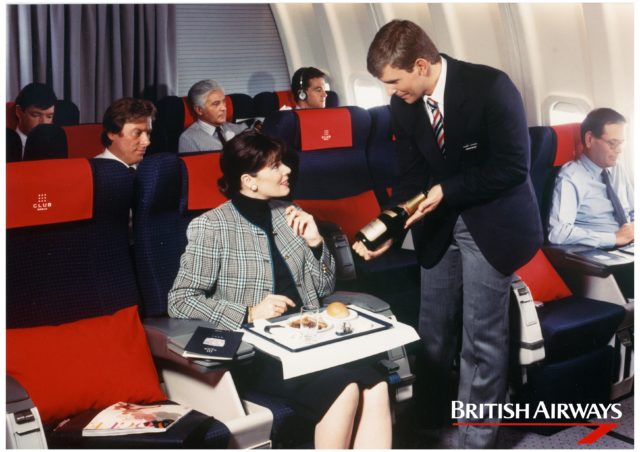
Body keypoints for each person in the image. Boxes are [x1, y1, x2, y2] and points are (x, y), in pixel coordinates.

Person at [357, 20, 542, 448]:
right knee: (433, 328)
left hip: (491, 222)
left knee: (481, 335)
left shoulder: (491, 87)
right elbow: (410, 174)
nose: (389, 92)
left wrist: (446, 189)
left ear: (420, 65)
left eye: (394, 81)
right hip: (439, 224)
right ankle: (430, 417)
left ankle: (476, 436)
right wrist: (393, 226)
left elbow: (513, 167)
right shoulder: (405, 104)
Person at [168, 130, 392, 448]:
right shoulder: (211, 226)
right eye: (275, 166)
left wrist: (316, 244)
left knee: (378, 385)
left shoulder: (289, 212)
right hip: (260, 354)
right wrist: (248, 312)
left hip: (311, 341)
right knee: (345, 389)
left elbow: (324, 287)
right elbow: (180, 299)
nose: (287, 170)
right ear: (250, 181)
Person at [548, 108, 634, 248]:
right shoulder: (571, 177)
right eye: (613, 143)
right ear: (589, 140)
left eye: (622, 143)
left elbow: (633, 210)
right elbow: (558, 232)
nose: (619, 150)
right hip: (603, 252)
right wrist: (613, 238)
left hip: (630, 246)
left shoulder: (617, 168)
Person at [178, 79, 247, 153]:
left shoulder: (238, 129)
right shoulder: (188, 139)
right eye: (216, 104)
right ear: (199, 110)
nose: (224, 108)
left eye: (224, 102)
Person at [95, 97, 156, 169]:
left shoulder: (149, 171)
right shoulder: (91, 174)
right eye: (137, 133)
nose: (147, 142)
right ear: (112, 133)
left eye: (148, 133)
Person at [13, 82, 57, 153]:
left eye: (49, 116)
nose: (44, 123)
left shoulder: (55, 146)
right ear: (19, 112)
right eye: (36, 115)